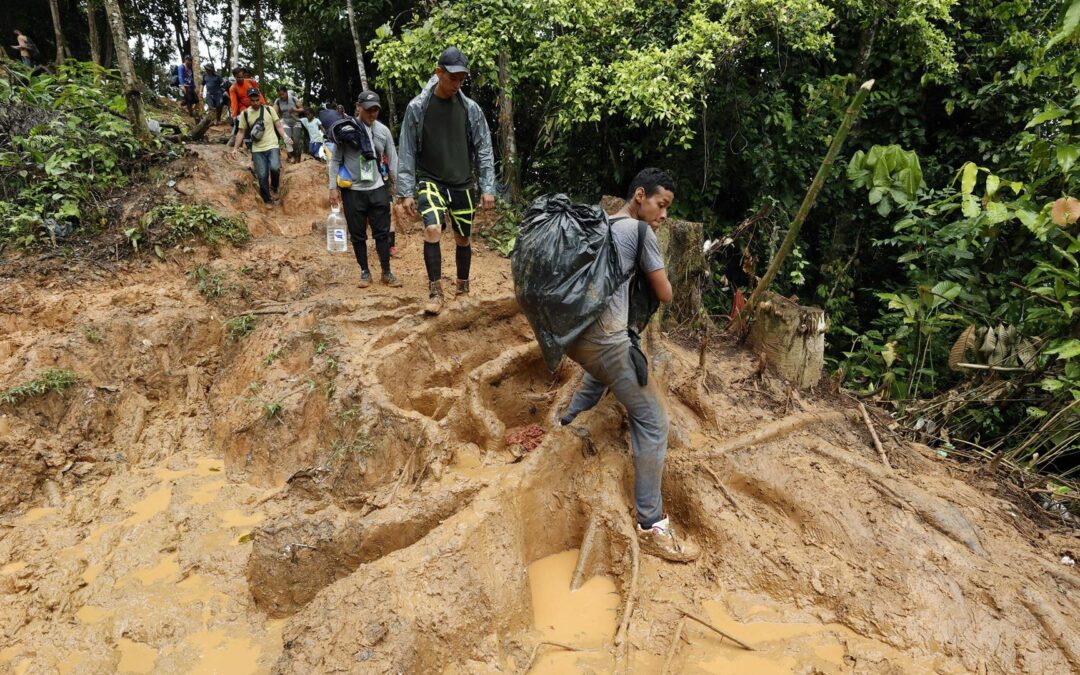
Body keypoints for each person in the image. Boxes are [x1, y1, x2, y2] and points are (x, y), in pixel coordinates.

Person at [559, 168, 700, 563]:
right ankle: (652, 524)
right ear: (640, 195)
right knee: (654, 421)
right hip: (607, 340)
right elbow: (666, 294)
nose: (664, 215)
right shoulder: (640, 234)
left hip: (575, 338)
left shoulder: (601, 221)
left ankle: (564, 424)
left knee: (602, 372)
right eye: (661, 204)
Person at [396, 46, 495, 315]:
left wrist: (487, 187)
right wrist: (405, 192)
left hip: (462, 183)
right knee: (432, 230)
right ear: (439, 72)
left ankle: (462, 288)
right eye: (453, 77)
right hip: (430, 180)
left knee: (463, 238)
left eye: (462, 79)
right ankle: (435, 291)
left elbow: (484, 147)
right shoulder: (418, 107)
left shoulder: (470, 109)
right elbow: (406, 150)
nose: (457, 83)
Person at [328, 91, 402, 288]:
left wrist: (399, 189)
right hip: (352, 191)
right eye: (369, 109)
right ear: (358, 107)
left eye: (376, 110)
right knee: (358, 234)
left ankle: (386, 272)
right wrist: (332, 187)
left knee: (382, 232)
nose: (372, 114)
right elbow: (335, 159)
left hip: (377, 188)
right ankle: (364, 272)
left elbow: (393, 159)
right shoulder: (346, 130)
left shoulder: (383, 131)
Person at [227, 86, 290, 206]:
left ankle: (275, 187)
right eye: (253, 100)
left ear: (260, 98)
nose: (255, 103)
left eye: (257, 100)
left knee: (275, 167)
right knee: (262, 175)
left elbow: (278, 126)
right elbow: (240, 132)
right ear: (249, 100)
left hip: (272, 144)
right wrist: (235, 148)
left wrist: (285, 137)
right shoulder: (245, 114)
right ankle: (267, 199)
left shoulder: (269, 110)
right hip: (257, 149)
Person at [229, 67, 264, 143]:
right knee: (245, 117)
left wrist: (263, 104)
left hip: (255, 103)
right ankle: (245, 141)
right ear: (235, 77)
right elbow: (233, 102)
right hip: (243, 106)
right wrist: (234, 115)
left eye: (242, 77)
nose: (241, 79)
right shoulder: (233, 88)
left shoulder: (251, 82)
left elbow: (258, 93)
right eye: (238, 77)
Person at [274, 86, 304, 164]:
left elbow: (302, 109)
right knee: (288, 140)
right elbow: (274, 112)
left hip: (296, 121)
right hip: (285, 121)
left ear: (286, 92)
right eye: (279, 95)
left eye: (283, 94)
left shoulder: (294, 99)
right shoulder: (278, 101)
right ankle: (291, 156)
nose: (281, 96)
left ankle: (297, 155)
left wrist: (294, 109)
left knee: (296, 141)